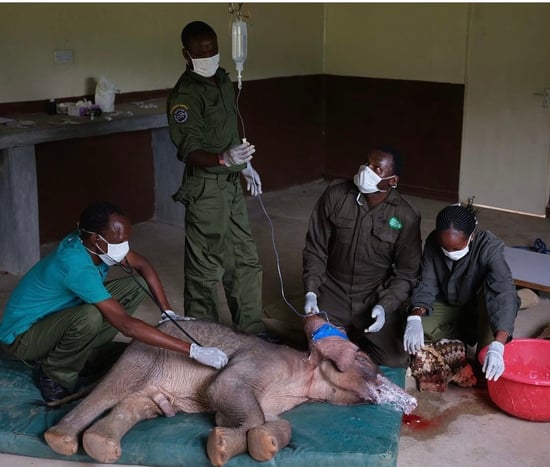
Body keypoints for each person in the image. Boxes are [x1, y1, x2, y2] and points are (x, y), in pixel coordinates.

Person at [0, 202, 228, 404]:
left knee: (132, 285)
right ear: (96, 239)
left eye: (127, 239)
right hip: (23, 337)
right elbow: (126, 325)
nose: (124, 246)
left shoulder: (93, 244)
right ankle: (55, 376)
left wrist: (167, 311)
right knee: (89, 317)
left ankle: (83, 353)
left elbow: (143, 266)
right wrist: (193, 350)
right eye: (119, 240)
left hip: (56, 317)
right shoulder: (75, 265)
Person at [166, 20, 266, 336]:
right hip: (206, 188)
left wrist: (242, 166)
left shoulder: (222, 79)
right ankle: (204, 335)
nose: (210, 56)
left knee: (244, 259)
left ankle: (251, 331)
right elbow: (189, 149)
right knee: (205, 268)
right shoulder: (185, 96)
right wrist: (224, 159)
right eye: (202, 52)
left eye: (214, 50)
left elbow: (228, 130)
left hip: (230, 184)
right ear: (186, 53)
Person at [302, 148, 422, 367]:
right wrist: (311, 290)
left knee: (394, 359)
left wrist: (385, 306)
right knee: (319, 350)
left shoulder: (405, 215)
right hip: (332, 291)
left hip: (372, 296)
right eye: (366, 163)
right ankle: (343, 337)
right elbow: (315, 249)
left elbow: (406, 273)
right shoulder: (335, 196)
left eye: (377, 168)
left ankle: (350, 337)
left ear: (392, 180)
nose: (367, 171)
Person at [403, 204, 520, 381]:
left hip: (480, 305)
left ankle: (520, 300)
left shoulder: (489, 247)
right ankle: (459, 331)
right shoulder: (434, 241)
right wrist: (415, 317)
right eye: (445, 248)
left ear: (472, 236)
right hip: (446, 301)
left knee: (486, 362)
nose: (450, 253)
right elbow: (426, 284)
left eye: (457, 248)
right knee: (410, 334)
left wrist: (498, 345)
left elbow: (502, 290)